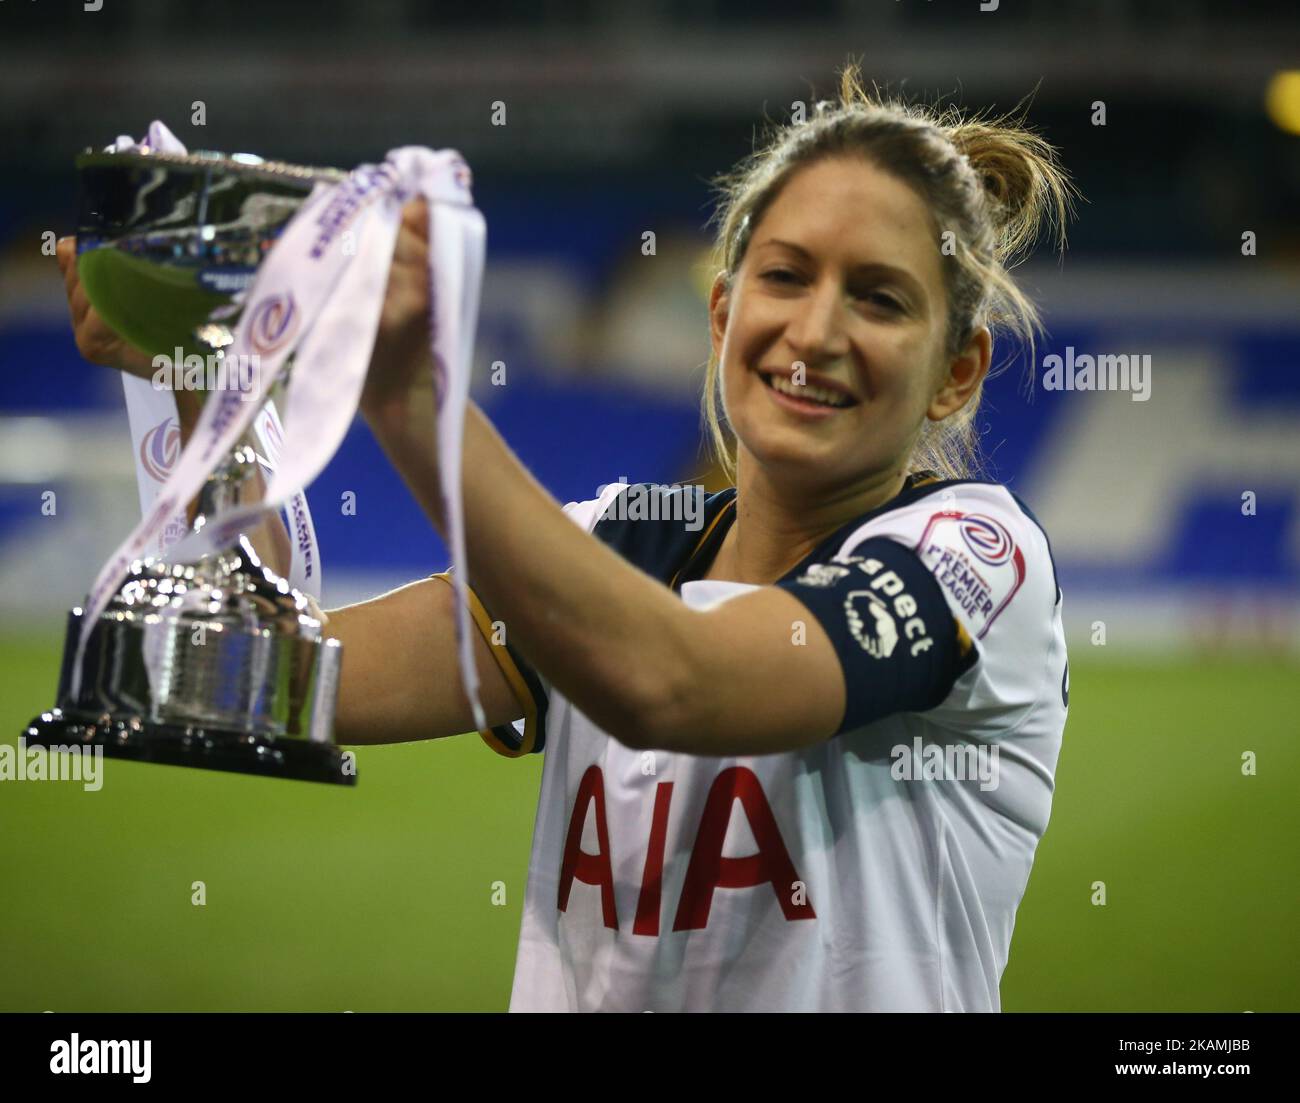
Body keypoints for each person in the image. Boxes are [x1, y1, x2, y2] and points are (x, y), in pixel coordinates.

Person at [58, 66, 1076, 1012]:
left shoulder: (973, 559)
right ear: (721, 314)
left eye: (879, 297)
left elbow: (677, 681)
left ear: (958, 370)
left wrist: (411, 392)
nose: (814, 331)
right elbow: (263, 683)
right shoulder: (627, 539)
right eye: (785, 276)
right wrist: (189, 365)